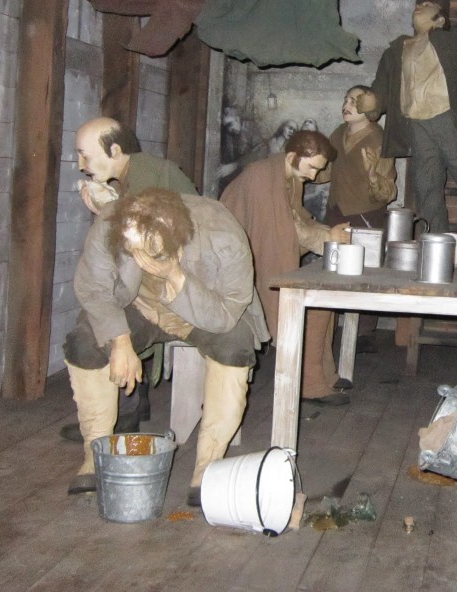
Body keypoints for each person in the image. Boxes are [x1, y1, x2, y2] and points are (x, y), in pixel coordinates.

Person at [65, 188, 268, 508]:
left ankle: (207, 467)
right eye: (133, 251)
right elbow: (94, 289)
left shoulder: (224, 235)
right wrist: (120, 340)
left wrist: (175, 275)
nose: (141, 260)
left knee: (235, 346)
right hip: (140, 306)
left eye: (151, 253)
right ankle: (95, 454)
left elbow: (226, 314)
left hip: (203, 311)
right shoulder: (111, 223)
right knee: (84, 342)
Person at [63, 117, 199, 440]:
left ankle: (119, 416)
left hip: (178, 292)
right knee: (104, 304)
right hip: (161, 285)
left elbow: (142, 242)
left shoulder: (145, 174)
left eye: (85, 155)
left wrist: (107, 211)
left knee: (94, 325)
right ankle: (133, 404)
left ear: (114, 150)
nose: (81, 165)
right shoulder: (133, 175)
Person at [357, 0, 457, 234]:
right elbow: (381, 89)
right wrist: (373, 102)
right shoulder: (395, 51)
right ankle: (434, 243)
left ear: (440, 20)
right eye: (419, 4)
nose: (421, 5)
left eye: (428, 4)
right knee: (426, 190)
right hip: (416, 126)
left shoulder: (446, 40)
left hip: (447, 119)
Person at [220, 130, 352, 404]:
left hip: (263, 251)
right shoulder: (261, 177)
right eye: (312, 167)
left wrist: (327, 232)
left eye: (318, 170)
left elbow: (299, 220)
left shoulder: (289, 177)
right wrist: (326, 238)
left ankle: (324, 374)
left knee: (323, 299)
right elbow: (278, 233)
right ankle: (309, 385)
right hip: (237, 266)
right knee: (309, 305)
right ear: (292, 156)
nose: (314, 176)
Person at [325, 85, 397, 230]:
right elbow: (327, 170)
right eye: (345, 100)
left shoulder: (379, 141)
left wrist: (373, 176)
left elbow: (388, 194)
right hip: (334, 213)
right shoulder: (338, 133)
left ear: (368, 108)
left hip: (365, 217)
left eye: (353, 102)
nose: (346, 106)